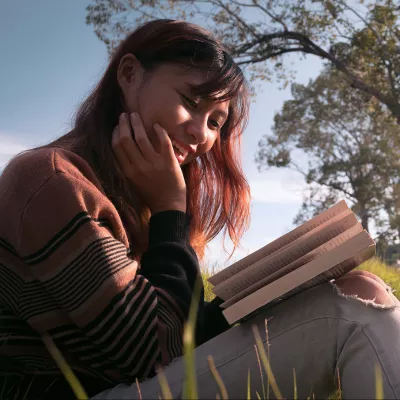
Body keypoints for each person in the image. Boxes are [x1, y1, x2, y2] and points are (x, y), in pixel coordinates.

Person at [0, 19, 399, 400]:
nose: (200, 133)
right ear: (129, 73)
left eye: (215, 122)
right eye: (191, 101)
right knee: (349, 315)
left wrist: (268, 295)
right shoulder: (50, 180)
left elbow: (179, 332)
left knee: (363, 288)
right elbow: (151, 354)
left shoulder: (130, 199)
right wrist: (171, 211)